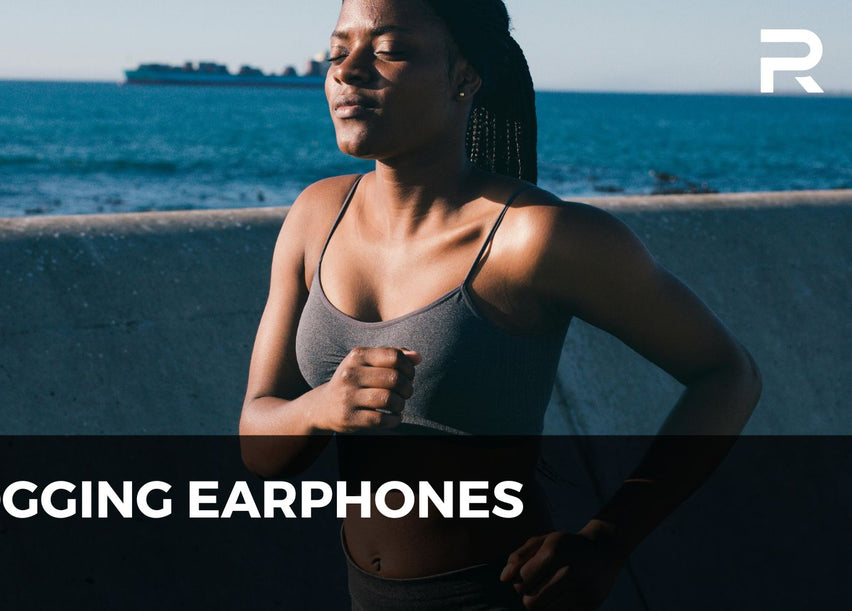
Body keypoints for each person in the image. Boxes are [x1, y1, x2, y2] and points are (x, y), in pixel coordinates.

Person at [238, 0, 762, 608]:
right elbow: (259, 445)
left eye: (389, 50)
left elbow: (729, 373)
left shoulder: (537, 239)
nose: (347, 71)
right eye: (336, 52)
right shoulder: (315, 217)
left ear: (465, 77)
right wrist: (321, 407)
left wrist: (609, 540)